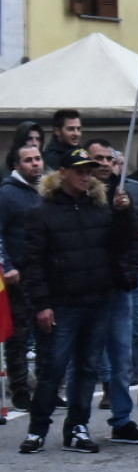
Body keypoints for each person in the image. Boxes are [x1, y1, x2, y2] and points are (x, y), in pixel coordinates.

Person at [17, 147, 138, 454]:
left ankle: (77, 427)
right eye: (79, 171)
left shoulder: (101, 208)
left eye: (89, 171)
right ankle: (37, 429)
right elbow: (32, 263)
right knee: (53, 368)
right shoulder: (42, 212)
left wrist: (124, 213)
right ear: (63, 174)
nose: (86, 176)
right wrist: (42, 304)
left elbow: (122, 244)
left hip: (97, 299)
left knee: (88, 368)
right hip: (62, 303)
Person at [87, 138, 138, 431]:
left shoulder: (129, 191)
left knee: (123, 349)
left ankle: (123, 419)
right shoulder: (80, 193)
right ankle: (76, 422)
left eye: (109, 159)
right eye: (98, 159)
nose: (105, 164)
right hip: (87, 284)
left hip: (123, 280)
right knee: (84, 354)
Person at [0, 143, 42, 412]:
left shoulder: (45, 190)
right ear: (16, 165)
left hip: (43, 273)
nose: (36, 163)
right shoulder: (7, 194)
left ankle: (46, 386)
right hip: (19, 275)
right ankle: (19, 389)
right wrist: (7, 266)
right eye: (29, 160)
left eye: (38, 158)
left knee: (47, 330)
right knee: (19, 336)